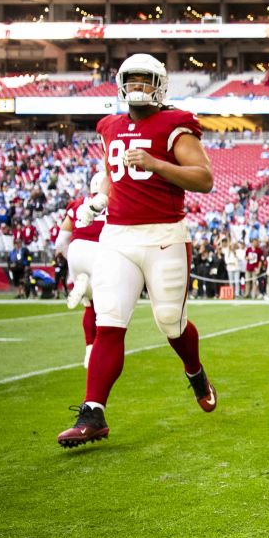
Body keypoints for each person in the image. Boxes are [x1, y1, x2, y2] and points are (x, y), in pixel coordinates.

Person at [57, 53, 219, 448]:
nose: (138, 87)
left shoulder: (175, 124)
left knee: (170, 323)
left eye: (145, 80)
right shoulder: (110, 126)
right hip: (117, 237)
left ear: (160, 85)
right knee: (109, 320)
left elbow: (204, 178)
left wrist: (155, 163)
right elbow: (117, 174)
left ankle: (195, 370)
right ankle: (92, 412)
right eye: (132, 79)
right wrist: (100, 199)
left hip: (164, 235)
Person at [55, 172, 108, 369]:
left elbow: (60, 241)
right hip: (100, 251)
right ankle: (97, 354)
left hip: (77, 250)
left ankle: (88, 351)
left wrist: (71, 259)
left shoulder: (77, 204)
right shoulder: (114, 202)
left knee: (89, 306)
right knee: (104, 308)